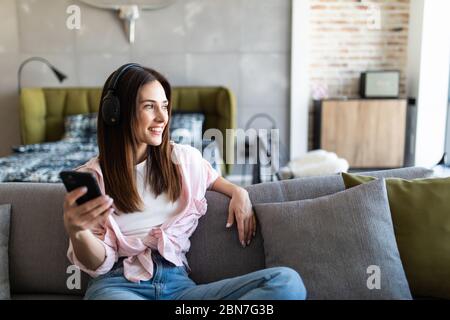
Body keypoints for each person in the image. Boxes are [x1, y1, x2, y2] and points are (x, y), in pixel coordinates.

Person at [63, 63, 307, 300]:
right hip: (118, 286)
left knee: (286, 283)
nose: (163, 118)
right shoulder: (93, 178)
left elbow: (215, 179)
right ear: (116, 113)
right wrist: (78, 232)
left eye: (165, 106)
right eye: (150, 107)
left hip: (178, 287)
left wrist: (239, 193)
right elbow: (98, 264)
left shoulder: (183, 160)